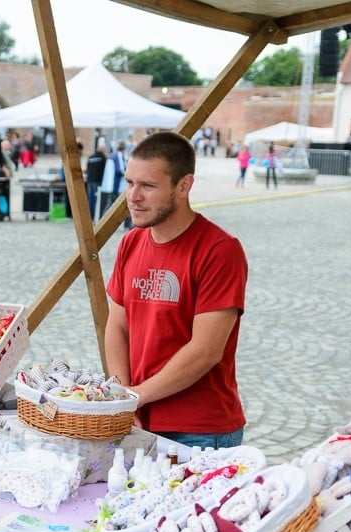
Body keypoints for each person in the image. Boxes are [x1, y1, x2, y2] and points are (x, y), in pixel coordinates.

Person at [104, 132, 248, 450]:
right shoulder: (131, 243)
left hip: (201, 431)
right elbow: (116, 325)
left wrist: (135, 396)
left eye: (148, 186)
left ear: (183, 186)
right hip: (140, 418)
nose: (133, 196)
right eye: (130, 183)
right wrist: (122, 395)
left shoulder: (219, 249)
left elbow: (206, 350)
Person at [85, 142, 107, 219]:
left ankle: (89, 215)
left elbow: (87, 168)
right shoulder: (103, 158)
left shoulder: (90, 157)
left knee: (90, 198)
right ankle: (95, 215)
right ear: (102, 149)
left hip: (89, 180)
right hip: (97, 181)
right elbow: (105, 170)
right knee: (96, 199)